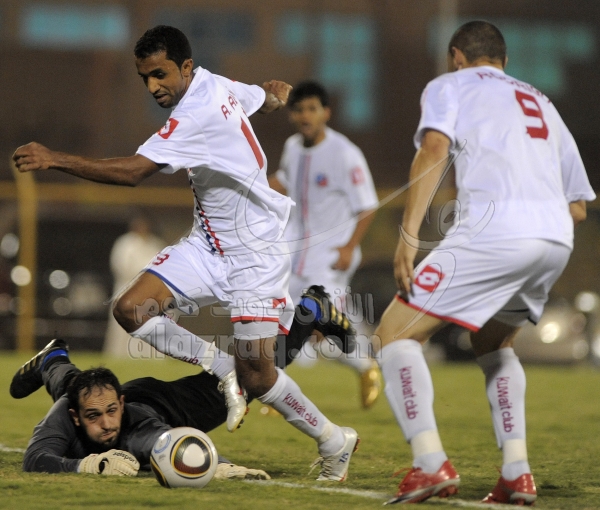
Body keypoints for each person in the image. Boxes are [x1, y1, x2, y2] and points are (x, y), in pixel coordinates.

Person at [13, 25, 358, 481]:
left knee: (259, 376)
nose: (152, 86)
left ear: (186, 68)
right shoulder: (214, 83)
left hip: (255, 254)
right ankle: (223, 367)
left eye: (160, 74)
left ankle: (333, 440)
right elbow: (257, 96)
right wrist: (272, 96)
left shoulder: (196, 112)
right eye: (145, 78)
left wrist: (55, 158)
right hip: (208, 245)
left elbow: (134, 172)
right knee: (131, 308)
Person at [372, 21, 595, 505]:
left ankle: (429, 463)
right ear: (504, 61)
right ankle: (516, 473)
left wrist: (409, 237)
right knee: (493, 342)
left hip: (495, 231)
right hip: (555, 238)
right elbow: (578, 206)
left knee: (393, 334)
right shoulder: (542, 102)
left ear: (457, 56)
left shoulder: (450, 85)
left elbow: (434, 149)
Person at [268, 81, 382, 409]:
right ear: (292, 114)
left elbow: (368, 205)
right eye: (299, 109)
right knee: (283, 323)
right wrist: (249, 186)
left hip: (330, 255)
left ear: (326, 113)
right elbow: (284, 180)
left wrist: (349, 247)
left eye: (312, 109)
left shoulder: (345, 153)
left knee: (317, 329)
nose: (305, 116)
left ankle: (365, 365)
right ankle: (273, 391)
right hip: (295, 252)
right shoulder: (292, 147)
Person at [11, 339, 269, 479]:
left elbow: (168, 442)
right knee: (74, 386)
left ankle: (294, 324)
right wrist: (88, 465)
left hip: (166, 402)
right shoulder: (66, 410)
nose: (107, 424)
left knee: (251, 376)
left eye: (112, 411)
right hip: (93, 396)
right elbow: (35, 458)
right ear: (74, 417)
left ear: (121, 404)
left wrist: (221, 468)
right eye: (93, 416)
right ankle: (53, 358)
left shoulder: (138, 427)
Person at [104, 213, 165, 358]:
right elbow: (121, 266)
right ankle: (119, 357)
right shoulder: (125, 243)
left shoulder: (155, 244)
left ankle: (150, 358)